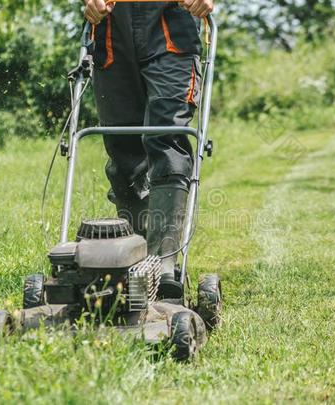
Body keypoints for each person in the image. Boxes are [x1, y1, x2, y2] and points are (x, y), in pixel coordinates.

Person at [84, 0, 213, 298]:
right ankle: (134, 260)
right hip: (111, 25)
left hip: (171, 21)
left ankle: (163, 262)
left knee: (166, 136)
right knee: (122, 147)